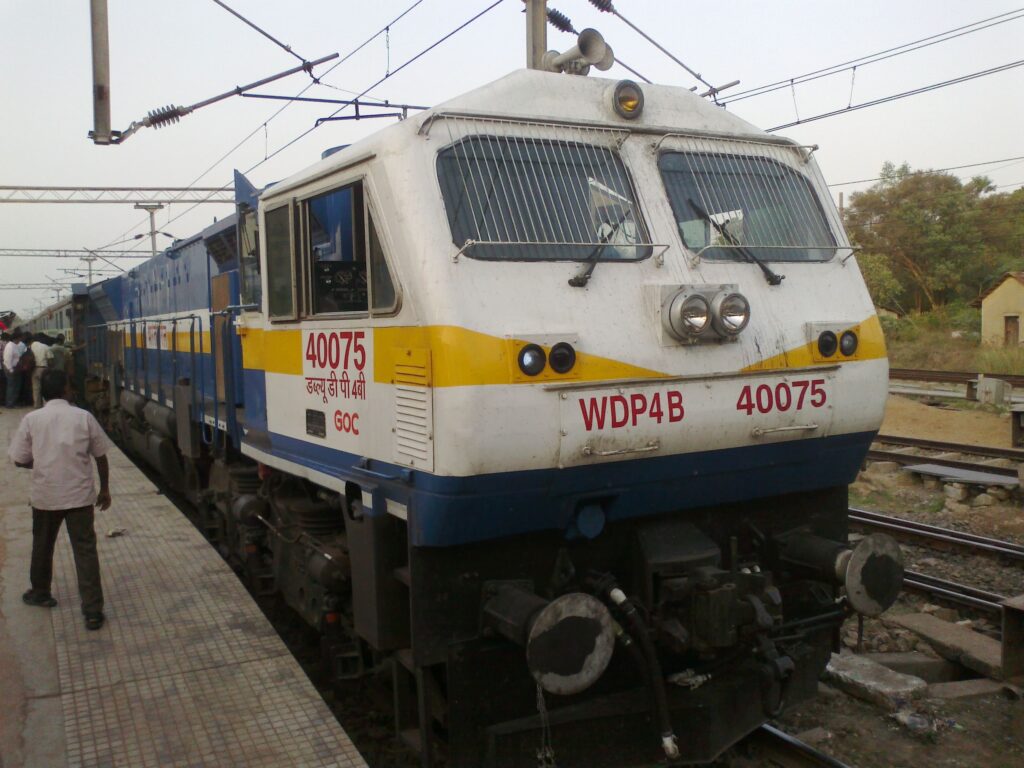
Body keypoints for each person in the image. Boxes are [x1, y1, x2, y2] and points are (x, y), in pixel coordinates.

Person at [8, 368, 112, 630]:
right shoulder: (83, 417)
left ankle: (40, 592)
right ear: (66, 390)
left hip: (46, 497)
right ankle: (92, 611)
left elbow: (19, 460)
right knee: (85, 551)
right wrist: (105, 490)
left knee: (42, 546)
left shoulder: (32, 419)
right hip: (80, 497)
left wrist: (42, 463)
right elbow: (101, 456)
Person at [3, 331, 27, 408]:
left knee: (16, 386)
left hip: (15, 368)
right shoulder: (10, 346)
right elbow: (7, 359)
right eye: (20, 338)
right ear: (16, 338)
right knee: (12, 386)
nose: (20, 340)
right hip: (11, 368)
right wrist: (10, 369)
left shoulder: (14, 345)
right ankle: (10, 403)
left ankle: (13, 402)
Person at [29, 334, 53, 408]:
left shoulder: (30, 346)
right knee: (45, 386)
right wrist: (51, 368)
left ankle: (37, 404)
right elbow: (50, 359)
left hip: (33, 369)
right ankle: (46, 404)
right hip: (43, 368)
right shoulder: (45, 346)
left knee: (36, 388)